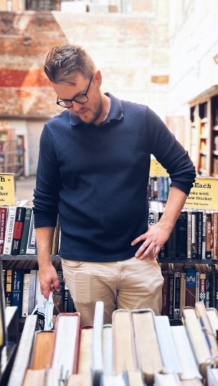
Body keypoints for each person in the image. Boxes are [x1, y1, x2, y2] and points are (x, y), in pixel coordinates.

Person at [33, 44, 196, 325]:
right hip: (83, 266)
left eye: (81, 96)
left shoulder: (141, 119)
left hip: (137, 260)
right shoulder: (54, 132)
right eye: (66, 101)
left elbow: (183, 170)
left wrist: (164, 226)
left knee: (142, 346)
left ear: (97, 78)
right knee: (95, 350)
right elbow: (45, 201)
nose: (75, 107)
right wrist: (44, 263)